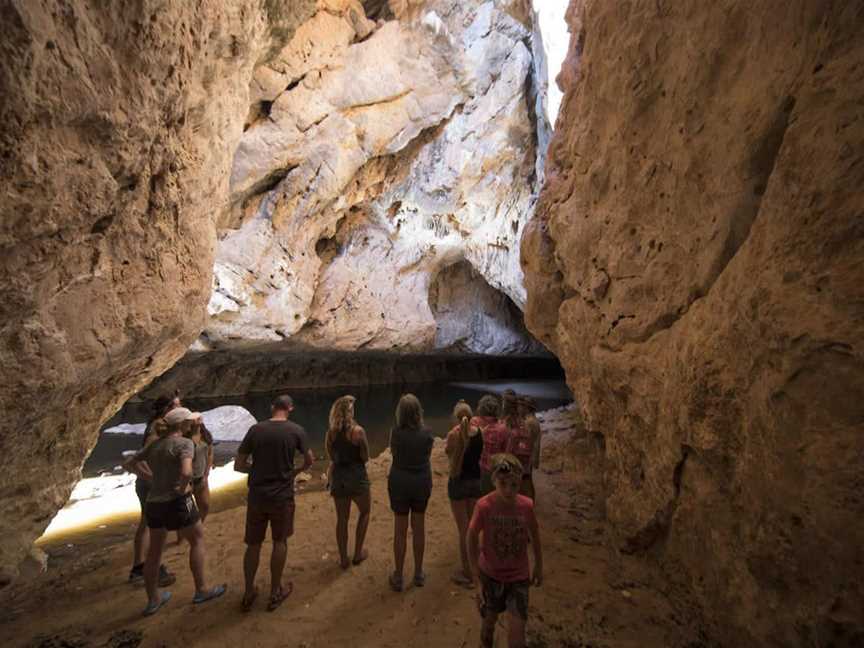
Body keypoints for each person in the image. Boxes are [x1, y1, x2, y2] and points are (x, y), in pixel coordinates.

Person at [129, 407, 226, 616]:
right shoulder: (184, 444)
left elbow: (130, 462)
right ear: (183, 425)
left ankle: (153, 599)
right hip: (178, 501)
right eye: (189, 422)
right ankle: (202, 589)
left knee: (155, 551)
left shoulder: (155, 444)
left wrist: (151, 479)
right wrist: (183, 488)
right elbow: (186, 471)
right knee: (197, 539)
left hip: (154, 501)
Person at [235, 395, 313, 612]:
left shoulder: (256, 430)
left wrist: (258, 471)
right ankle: (275, 590)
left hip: (257, 496)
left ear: (272, 408)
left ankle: (249, 591)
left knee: (253, 544)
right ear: (290, 408)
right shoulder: (296, 431)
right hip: (282, 496)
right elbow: (309, 461)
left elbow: (239, 464)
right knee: (280, 541)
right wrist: (292, 472)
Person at [468, 454, 543, 648]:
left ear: (520, 484)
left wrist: (539, 566)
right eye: (503, 484)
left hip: (518, 577)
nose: (509, 491)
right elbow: (471, 535)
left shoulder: (525, 506)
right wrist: (476, 578)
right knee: (488, 625)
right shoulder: (484, 506)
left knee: (517, 637)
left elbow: (535, 533)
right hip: (490, 576)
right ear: (493, 481)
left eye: (514, 485)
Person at [125, 394, 178, 586]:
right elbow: (142, 456)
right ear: (167, 410)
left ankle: (139, 567)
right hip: (151, 485)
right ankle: (150, 569)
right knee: (155, 527)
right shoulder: (158, 426)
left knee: (146, 524)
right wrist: (154, 478)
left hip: (147, 483)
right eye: (177, 406)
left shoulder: (157, 424)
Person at [387, 393, 434, 592]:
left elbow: (394, 453)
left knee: (400, 528)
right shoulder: (428, 433)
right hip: (421, 480)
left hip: (399, 481)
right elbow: (427, 455)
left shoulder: (396, 432)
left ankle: (398, 575)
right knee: (419, 527)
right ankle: (418, 572)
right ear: (418, 412)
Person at [326, 395, 371, 569]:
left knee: (342, 519)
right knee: (365, 512)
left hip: (339, 478)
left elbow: (331, 456)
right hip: (357, 477)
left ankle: (344, 559)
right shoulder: (358, 432)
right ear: (349, 412)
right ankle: (358, 553)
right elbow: (365, 456)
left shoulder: (330, 433)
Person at [445, 399, 483, 586]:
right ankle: (476, 565)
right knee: (472, 526)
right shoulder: (479, 433)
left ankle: (468, 571)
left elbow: (448, 453)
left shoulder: (453, 435)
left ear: (456, 417)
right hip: (475, 482)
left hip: (458, 483)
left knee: (463, 528)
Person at [477, 393, 510, 496]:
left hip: (485, 471)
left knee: (486, 499)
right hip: (501, 470)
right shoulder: (504, 428)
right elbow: (507, 452)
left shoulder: (483, 430)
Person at [184, 413, 214, 522]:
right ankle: (187, 531)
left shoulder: (205, 435)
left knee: (205, 505)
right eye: (195, 417)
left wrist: (206, 473)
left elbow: (210, 453)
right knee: (187, 508)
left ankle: (198, 525)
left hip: (202, 477)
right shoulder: (185, 437)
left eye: (199, 416)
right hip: (188, 480)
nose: (199, 418)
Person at [508, 397, 540, 500]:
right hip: (529, 455)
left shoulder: (530, 422)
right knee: (527, 479)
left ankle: (528, 502)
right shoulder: (531, 420)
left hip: (527, 456)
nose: (518, 408)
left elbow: (528, 441)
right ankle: (529, 502)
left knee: (526, 480)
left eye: (520, 406)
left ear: (526, 408)